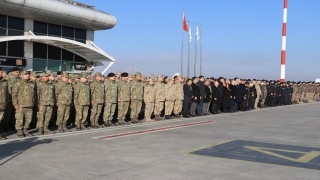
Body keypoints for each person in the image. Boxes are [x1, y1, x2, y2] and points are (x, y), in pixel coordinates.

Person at [12, 71, 35, 137]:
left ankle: (25, 130)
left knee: (28, 118)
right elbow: (14, 95)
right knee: (20, 118)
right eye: (25, 74)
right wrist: (15, 104)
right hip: (21, 104)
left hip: (30, 104)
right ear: (21, 75)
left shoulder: (31, 83)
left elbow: (34, 95)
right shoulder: (17, 83)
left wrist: (34, 103)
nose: (27, 75)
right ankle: (20, 131)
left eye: (28, 74)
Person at [4, 67, 20, 131]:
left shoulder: (18, 79)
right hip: (9, 99)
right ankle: (6, 126)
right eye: (17, 72)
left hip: (17, 99)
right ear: (12, 72)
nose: (18, 73)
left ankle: (13, 125)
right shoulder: (7, 79)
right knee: (8, 113)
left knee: (15, 113)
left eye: (19, 72)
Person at [0, 68, 8, 140]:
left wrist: (6, 101)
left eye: (2, 72)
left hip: (2, 104)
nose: (1, 73)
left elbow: (6, 93)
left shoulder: (4, 81)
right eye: (0, 72)